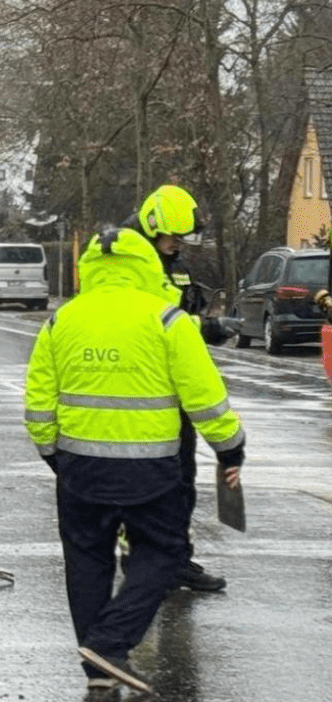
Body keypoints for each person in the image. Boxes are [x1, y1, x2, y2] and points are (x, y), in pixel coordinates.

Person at [23, 224, 246, 694]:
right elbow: (205, 398)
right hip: (152, 469)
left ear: (90, 270)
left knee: (86, 560)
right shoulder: (168, 320)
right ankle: (109, 642)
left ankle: (99, 667)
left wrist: (53, 454)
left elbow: (39, 403)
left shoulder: (62, 321)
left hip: (79, 467)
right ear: (145, 265)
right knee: (164, 552)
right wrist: (230, 447)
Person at [123, 185, 234, 592]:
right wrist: (204, 328)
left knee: (181, 480)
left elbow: (183, 316)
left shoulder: (176, 266)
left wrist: (203, 327)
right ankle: (141, 557)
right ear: (153, 229)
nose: (177, 245)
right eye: (173, 238)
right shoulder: (129, 268)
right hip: (141, 392)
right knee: (146, 482)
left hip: (174, 392)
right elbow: (148, 325)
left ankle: (175, 558)